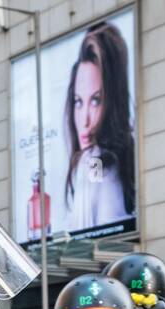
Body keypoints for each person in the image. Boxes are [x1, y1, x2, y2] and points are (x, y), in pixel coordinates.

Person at [62, 21, 134, 232]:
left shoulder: (98, 161)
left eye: (95, 100)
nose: (84, 120)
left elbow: (105, 225)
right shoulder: (90, 161)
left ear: (112, 101)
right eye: (78, 101)